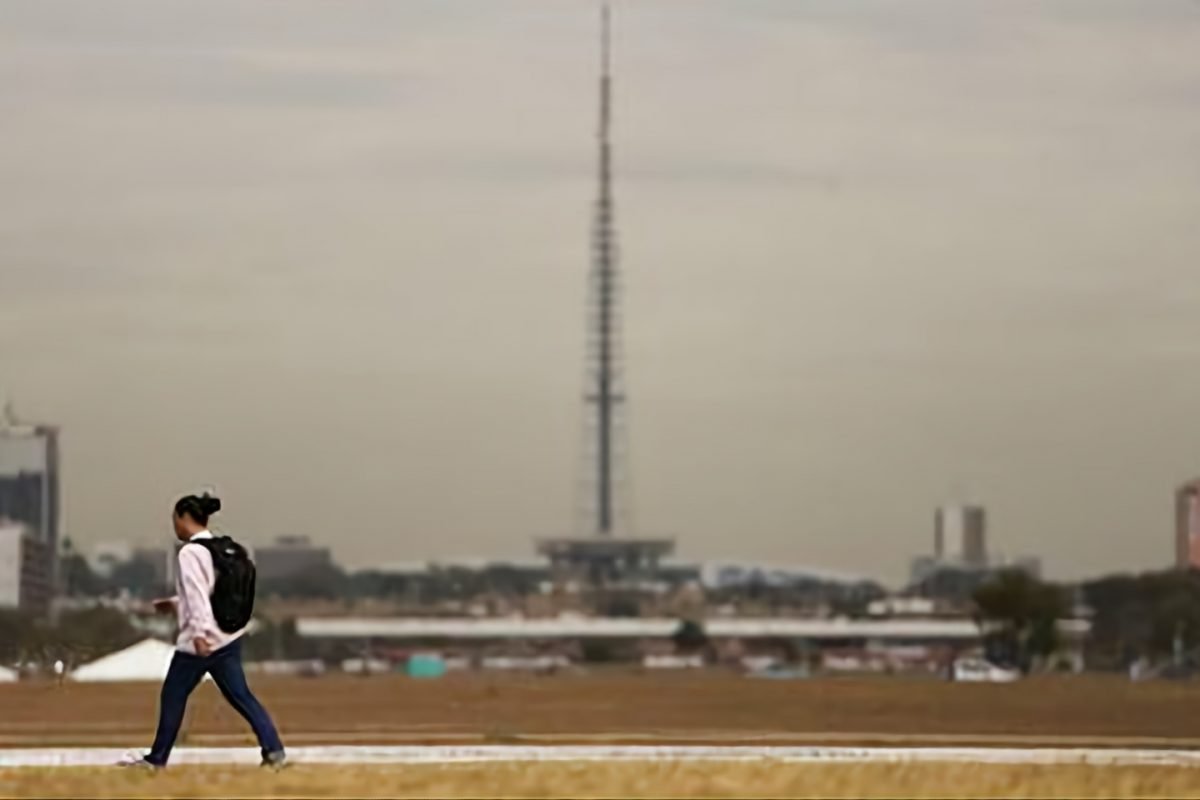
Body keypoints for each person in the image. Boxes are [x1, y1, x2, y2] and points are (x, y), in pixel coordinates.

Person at [122, 493, 286, 770]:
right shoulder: (223, 549)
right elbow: (212, 594)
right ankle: (274, 750)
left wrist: (199, 634)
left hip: (199, 643)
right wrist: (175, 604)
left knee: (173, 695)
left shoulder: (190, 553)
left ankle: (157, 759)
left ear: (185, 518)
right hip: (228, 637)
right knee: (241, 696)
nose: (174, 526)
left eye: (175, 519)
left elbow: (198, 594)